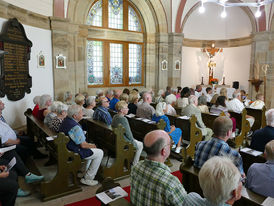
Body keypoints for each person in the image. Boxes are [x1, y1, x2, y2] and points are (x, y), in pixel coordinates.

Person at [130, 130, 186, 206]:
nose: (170, 145)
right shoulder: (171, 183)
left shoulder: (136, 167)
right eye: (170, 144)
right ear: (164, 151)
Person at [59, 105, 103, 186]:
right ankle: (88, 178)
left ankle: (83, 172)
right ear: (75, 116)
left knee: (92, 151)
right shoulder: (75, 127)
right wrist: (93, 146)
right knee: (99, 152)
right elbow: (83, 145)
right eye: (81, 113)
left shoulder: (66, 120)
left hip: (67, 147)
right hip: (74, 150)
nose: (83, 114)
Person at [111, 101, 143, 165]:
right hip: (123, 141)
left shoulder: (115, 116)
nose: (128, 109)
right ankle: (135, 164)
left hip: (117, 138)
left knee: (138, 142)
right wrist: (133, 142)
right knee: (140, 145)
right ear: (122, 110)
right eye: (126, 108)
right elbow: (128, 133)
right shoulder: (123, 119)